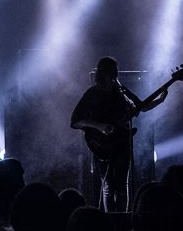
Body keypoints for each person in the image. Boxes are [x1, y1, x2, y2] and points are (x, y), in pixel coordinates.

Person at [70, 56, 165, 213]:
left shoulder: (121, 92)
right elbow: (75, 121)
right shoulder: (93, 93)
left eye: (115, 72)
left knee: (122, 185)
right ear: (103, 74)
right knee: (108, 186)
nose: (114, 76)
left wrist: (160, 100)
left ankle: (122, 219)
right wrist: (100, 126)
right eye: (111, 72)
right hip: (101, 145)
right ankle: (111, 220)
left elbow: (141, 107)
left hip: (122, 143)